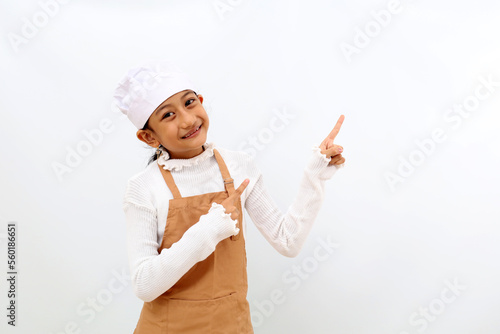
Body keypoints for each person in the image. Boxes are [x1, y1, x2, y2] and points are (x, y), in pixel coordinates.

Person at [113, 59, 346, 334]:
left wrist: (314, 176)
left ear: (200, 100)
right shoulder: (143, 187)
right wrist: (208, 230)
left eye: (189, 103)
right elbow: (144, 285)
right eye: (168, 115)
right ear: (148, 137)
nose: (188, 120)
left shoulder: (239, 166)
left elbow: (288, 241)